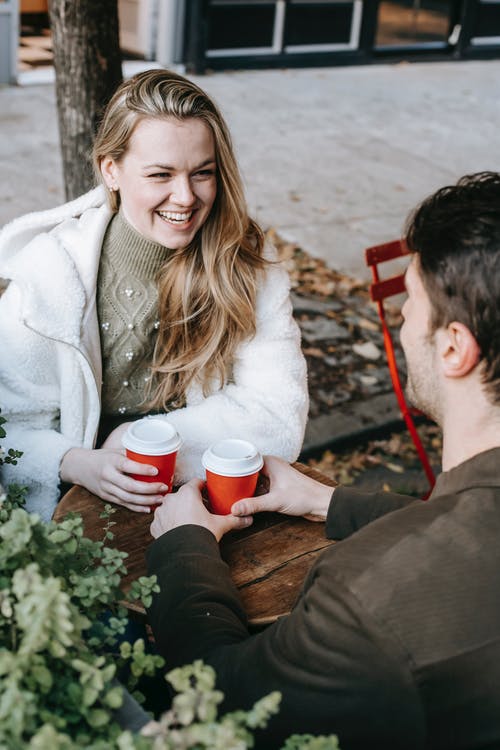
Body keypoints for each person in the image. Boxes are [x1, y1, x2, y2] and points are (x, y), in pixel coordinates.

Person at [145, 172, 500, 749]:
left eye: (410, 303)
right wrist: (329, 501)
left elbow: (224, 700)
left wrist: (182, 544)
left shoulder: (367, 601)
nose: (403, 321)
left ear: (455, 347)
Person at [0, 69, 308, 522]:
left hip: (209, 510)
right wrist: (76, 462)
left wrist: (140, 437)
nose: (184, 197)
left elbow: (278, 417)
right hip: (73, 518)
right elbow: (11, 427)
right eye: (161, 174)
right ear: (112, 170)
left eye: (202, 173)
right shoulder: (49, 276)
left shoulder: (246, 265)